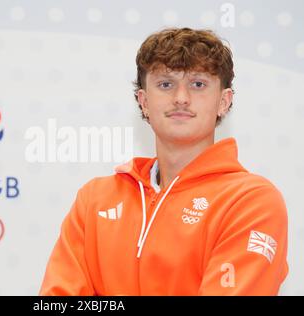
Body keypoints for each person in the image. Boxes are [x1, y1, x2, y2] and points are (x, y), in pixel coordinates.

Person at [39, 27, 288, 295]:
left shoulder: (251, 202)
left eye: (198, 84)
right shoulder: (95, 199)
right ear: (143, 102)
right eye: (166, 84)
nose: (181, 98)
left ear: (223, 102)